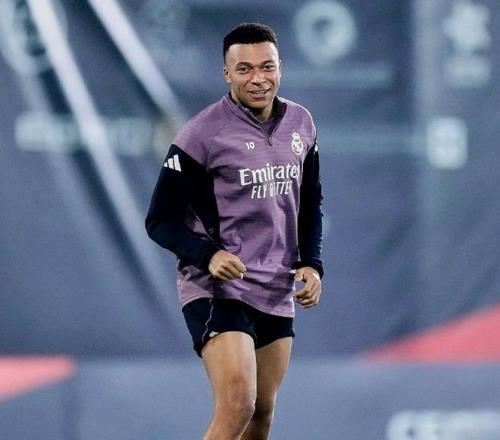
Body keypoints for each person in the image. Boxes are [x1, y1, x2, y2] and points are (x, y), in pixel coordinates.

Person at [146, 22, 323, 440]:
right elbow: (160, 220)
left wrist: (312, 264)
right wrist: (208, 254)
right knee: (238, 404)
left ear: (280, 68)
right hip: (218, 288)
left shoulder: (301, 123)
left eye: (267, 67)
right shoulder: (201, 134)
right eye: (244, 69)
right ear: (226, 73)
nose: (258, 79)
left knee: (261, 415)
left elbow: (310, 201)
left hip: (276, 286)